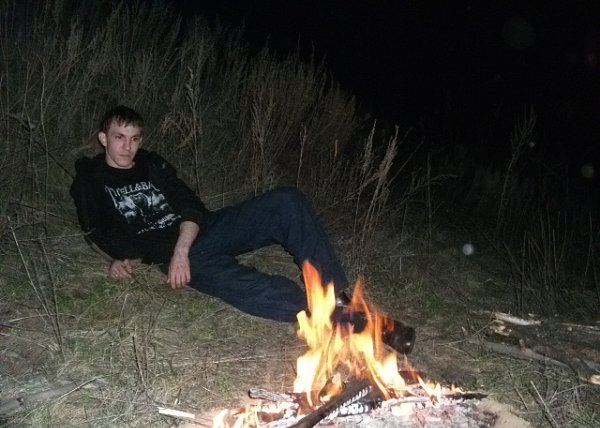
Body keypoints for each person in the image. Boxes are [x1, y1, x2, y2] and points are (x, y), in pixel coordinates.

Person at [70, 105, 415, 352]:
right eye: (119, 137)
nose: (128, 146)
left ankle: (336, 292)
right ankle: (354, 322)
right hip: (187, 258)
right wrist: (113, 259)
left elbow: (190, 204)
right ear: (103, 138)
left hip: (201, 234)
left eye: (134, 138)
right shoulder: (91, 177)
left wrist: (181, 249)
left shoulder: (150, 163)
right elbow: (95, 229)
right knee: (257, 291)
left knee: (287, 201)